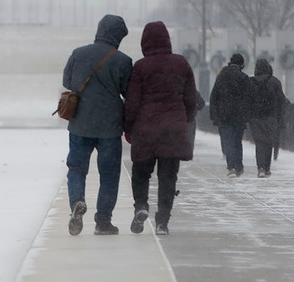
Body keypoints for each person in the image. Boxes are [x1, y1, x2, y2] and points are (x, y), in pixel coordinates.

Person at [123, 21, 198, 236]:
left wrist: (128, 127)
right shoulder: (181, 64)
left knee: (141, 173)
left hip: (145, 129)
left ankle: (141, 206)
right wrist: (184, 121)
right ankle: (163, 221)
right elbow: (191, 99)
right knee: (168, 177)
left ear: (145, 42)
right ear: (167, 40)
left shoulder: (141, 67)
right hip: (172, 130)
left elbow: (132, 102)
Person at [61, 14, 133, 236]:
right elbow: (128, 92)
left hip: (80, 124)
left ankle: (77, 201)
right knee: (109, 174)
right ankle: (103, 221)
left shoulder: (78, 54)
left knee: (76, 168)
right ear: (118, 37)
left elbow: (68, 82)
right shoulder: (123, 60)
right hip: (109, 127)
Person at [209, 53, 252, 177]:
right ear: (242, 64)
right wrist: (248, 115)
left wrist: (214, 114)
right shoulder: (244, 78)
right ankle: (239, 166)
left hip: (224, 115)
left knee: (228, 141)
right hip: (239, 115)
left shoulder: (222, 76)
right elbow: (249, 98)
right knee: (237, 141)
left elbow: (214, 96)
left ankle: (231, 166)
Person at [247, 58, 288, 178]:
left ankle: (260, 167)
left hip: (255, 117)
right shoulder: (275, 82)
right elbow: (281, 101)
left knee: (259, 143)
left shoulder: (251, 82)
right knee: (268, 141)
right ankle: (267, 167)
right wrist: (279, 117)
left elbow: (246, 100)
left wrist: (248, 115)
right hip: (271, 117)